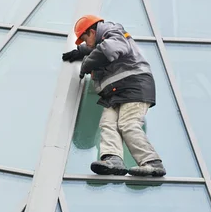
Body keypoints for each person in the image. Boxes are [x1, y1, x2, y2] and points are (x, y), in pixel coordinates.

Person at [62, 15, 166, 177]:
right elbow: (98, 47)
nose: (86, 43)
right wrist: (81, 51)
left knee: (128, 124)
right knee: (107, 124)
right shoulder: (103, 40)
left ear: (92, 31)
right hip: (115, 92)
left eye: (85, 38)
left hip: (134, 86)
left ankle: (152, 163)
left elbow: (108, 49)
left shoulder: (114, 32)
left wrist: (86, 64)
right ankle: (113, 160)